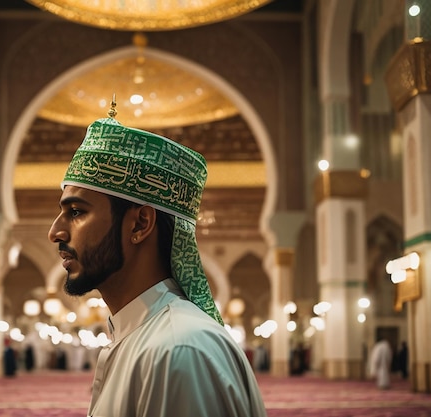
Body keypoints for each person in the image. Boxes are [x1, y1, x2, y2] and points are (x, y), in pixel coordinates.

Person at [48, 99, 267, 417]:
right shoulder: (140, 337)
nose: (55, 232)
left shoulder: (178, 350)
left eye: (77, 212)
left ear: (139, 224)